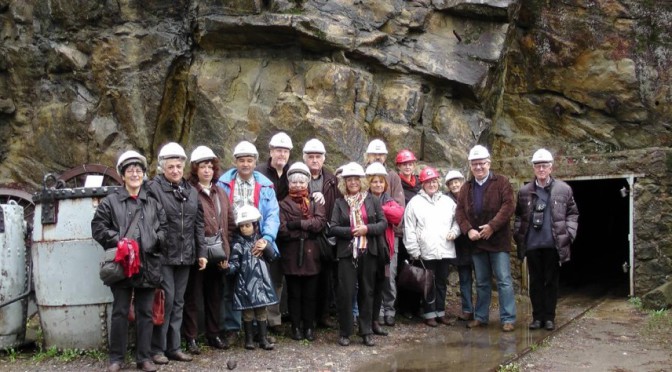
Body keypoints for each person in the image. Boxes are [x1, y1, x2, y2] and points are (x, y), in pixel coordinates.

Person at [92, 150, 166, 372]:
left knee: (145, 312)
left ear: (143, 174)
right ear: (122, 175)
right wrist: (120, 242)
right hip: (122, 264)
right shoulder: (110, 202)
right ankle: (117, 358)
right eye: (130, 170)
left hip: (148, 264)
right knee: (120, 311)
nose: (135, 174)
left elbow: (164, 230)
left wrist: (152, 241)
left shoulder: (152, 203)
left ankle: (144, 358)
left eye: (139, 170)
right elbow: (98, 228)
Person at [147, 142, 207, 364]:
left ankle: (174, 347)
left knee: (179, 301)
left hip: (186, 255)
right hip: (163, 255)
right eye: (170, 166)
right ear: (162, 167)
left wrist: (201, 252)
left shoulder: (190, 192)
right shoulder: (153, 189)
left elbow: (198, 224)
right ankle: (158, 349)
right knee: (166, 300)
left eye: (178, 166)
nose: (175, 170)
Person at [217, 140, 280, 345]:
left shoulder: (265, 184)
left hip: (256, 239)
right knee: (231, 285)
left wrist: (266, 239)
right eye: (242, 160)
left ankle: (256, 331)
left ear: (255, 162)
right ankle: (232, 328)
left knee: (256, 284)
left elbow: (272, 214)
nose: (245, 164)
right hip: (232, 238)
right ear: (235, 161)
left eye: (249, 160)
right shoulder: (223, 183)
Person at [514, 149, 579, 331]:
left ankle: (549, 317)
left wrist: (569, 234)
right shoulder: (525, 191)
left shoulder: (563, 189)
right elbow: (518, 216)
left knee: (551, 281)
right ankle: (537, 317)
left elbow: (573, 214)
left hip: (553, 244)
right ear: (533, 168)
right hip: (533, 245)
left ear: (551, 167)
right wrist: (519, 235)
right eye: (537, 166)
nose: (541, 169)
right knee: (535, 282)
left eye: (544, 166)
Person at [455, 145, 516, 332]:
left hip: (498, 241)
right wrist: (467, 230)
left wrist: (492, 226)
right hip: (477, 243)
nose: (479, 167)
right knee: (481, 281)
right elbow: (459, 212)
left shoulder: (502, 182)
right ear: (470, 166)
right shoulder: (466, 187)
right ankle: (481, 316)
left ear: (488, 163)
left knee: (504, 280)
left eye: (481, 163)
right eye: (475, 164)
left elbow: (508, 206)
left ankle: (508, 318)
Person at [182, 146, 235, 354]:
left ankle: (214, 334)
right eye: (203, 166)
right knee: (192, 297)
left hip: (218, 252)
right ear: (195, 169)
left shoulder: (220, 192)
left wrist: (226, 251)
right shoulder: (188, 191)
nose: (207, 170)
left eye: (210, 166)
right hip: (196, 253)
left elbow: (229, 224)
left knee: (215, 295)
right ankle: (191, 338)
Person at [330, 162, 388, 347]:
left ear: (362, 181)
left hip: (368, 252)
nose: (353, 182)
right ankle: (345, 332)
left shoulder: (372, 200)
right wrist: (352, 231)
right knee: (345, 293)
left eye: (356, 179)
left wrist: (367, 229)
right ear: (344, 183)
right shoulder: (339, 203)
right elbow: (333, 228)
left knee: (367, 291)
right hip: (347, 254)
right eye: (349, 180)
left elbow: (383, 223)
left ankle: (366, 331)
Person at [403, 167, 460, 327]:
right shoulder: (415, 203)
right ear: (422, 184)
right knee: (427, 284)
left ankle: (440, 312)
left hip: (445, 249)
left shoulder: (447, 202)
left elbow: (458, 220)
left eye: (434, 181)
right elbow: (409, 227)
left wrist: (454, 232)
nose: (432, 184)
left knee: (441, 282)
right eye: (428, 182)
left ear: (438, 182)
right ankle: (429, 314)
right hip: (425, 251)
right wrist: (413, 249)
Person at [277, 162, 327, 341]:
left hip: (311, 254)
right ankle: (295, 327)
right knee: (294, 293)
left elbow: (319, 224)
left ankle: (309, 327)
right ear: (289, 183)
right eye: (294, 182)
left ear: (307, 183)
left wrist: (297, 224)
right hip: (291, 254)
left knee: (310, 294)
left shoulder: (315, 201)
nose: (298, 185)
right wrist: (306, 226)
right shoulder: (283, 204)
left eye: (301, 182)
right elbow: (282, 229)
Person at [255, 132, 293, 332]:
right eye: (278, 150)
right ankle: (257, 320)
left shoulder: (292, 173)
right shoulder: (259, 172)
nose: (282, 154)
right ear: (270, 151)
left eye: (285, 151)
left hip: (284, 234)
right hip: (261, 232)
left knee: (277, 278)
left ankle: (274, 318)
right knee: (259, 276)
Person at [302, 138, 341, 329]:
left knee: (326, 276)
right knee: (308, 276)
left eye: (318, 156)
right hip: (307, 233)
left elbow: (339, 204)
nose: (314, 160)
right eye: (311, 157)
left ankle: (323, 314)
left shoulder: (332, 180)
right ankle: (306, 316)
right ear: (304, 158)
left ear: (324, 158)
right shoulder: (298, 176)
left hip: (326, 235)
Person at [228, 205, 278, 350]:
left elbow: (273, 257)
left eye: (248, 225)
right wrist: (227, 268)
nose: (244, 228)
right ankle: (248, 339)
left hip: (261, 284)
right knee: (248, 313)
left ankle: (263, 339)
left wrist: (267, 247)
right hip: (244, 284)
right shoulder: (238, 245)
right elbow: (234, 264)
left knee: (262, 312)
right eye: (242, 226)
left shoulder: (261, 242)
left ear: (255, 225)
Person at [364, 162, 404, 333]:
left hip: (387, 246)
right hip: (368, 245)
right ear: (369, 183)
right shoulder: (363, 199)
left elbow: (397, 215)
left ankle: (389, 310)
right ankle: (377, 312)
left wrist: (378, 209)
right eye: (374, 182)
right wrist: (383, 212)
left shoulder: (388, 199)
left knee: (388, 279)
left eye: (381, 182)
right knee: (371, 281)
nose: (378, 185)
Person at [394, 149, 423, 322]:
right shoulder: (396, 183)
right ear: (399, 166)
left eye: (410, 163)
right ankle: (403, 307)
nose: (408, 167)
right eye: (404, 164)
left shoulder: (420, 183)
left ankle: (416, 305)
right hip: (402, 232)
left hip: (419, 233)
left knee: (418, 269)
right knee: (403, 269)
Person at [444, 170, 475, 321]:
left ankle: (481, 311)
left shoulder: (472, 195)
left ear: (462, 182)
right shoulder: (445, 200)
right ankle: (468, 309)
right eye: (451, 183)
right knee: (465, 279)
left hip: (475, 242)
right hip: (459, 245)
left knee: (482, 279)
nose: (455, 185)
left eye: (457, 182)